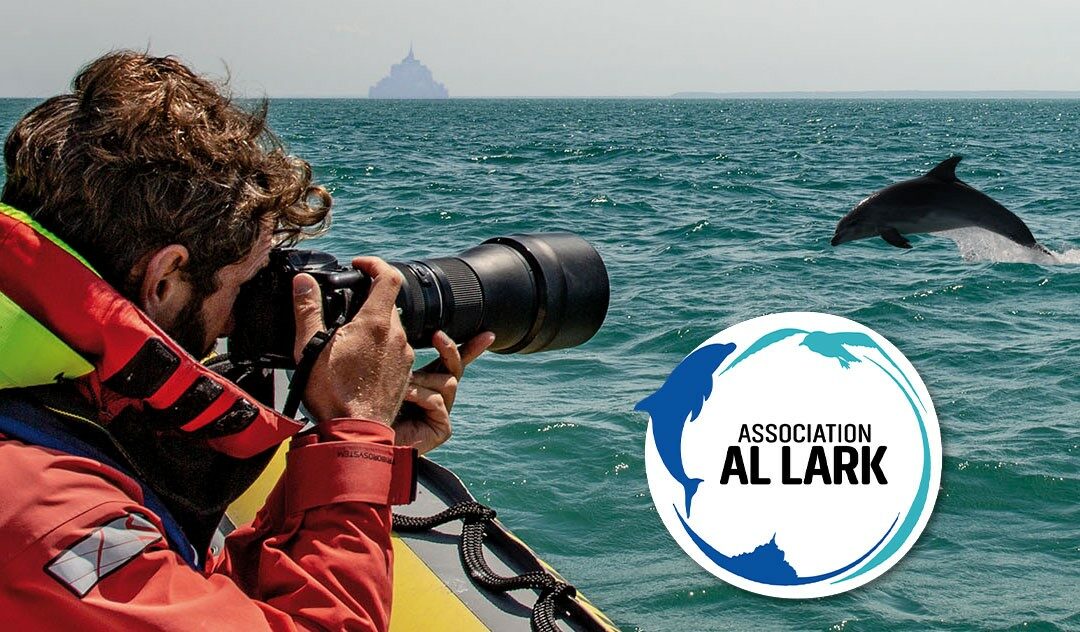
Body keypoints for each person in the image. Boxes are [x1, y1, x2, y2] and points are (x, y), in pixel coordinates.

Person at [0, 51, 493, 630]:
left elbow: (195, 592)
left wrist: (357, 455)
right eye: (244, 281)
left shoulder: (48, 393)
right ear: (162, 279)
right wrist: (356, 423)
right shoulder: (46, 511)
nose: (241, 320)